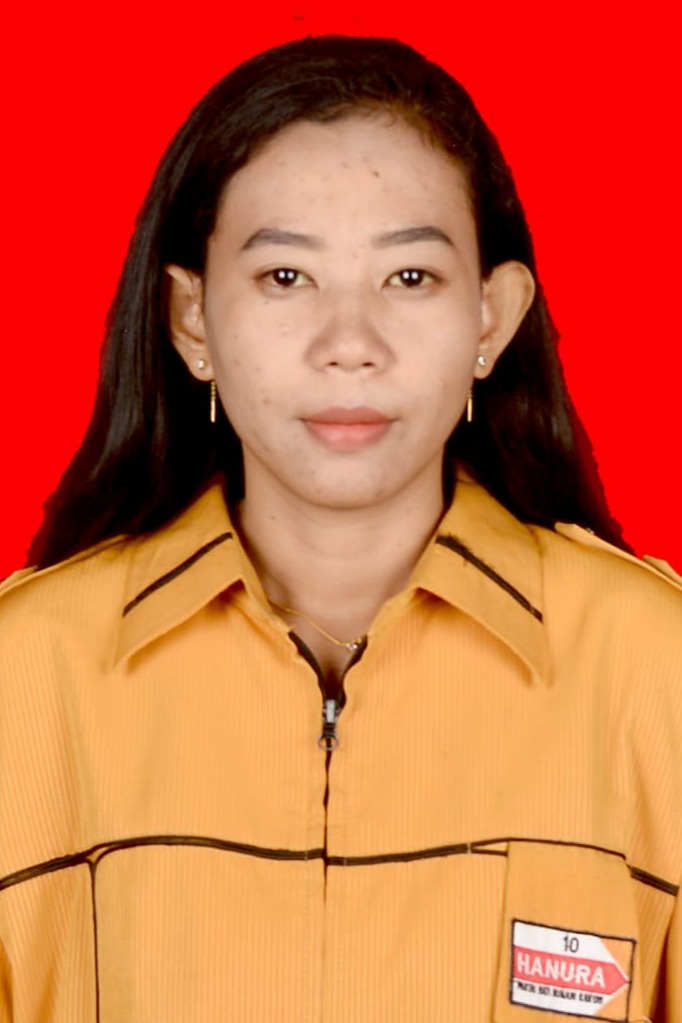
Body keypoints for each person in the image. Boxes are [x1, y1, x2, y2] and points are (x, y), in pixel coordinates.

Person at [0, 34, 680, 1023]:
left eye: (410, 278)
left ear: (492, 319)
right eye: (286, 277)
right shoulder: (26, 677)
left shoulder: (654, 668)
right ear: (192, 321)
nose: (349, 345)